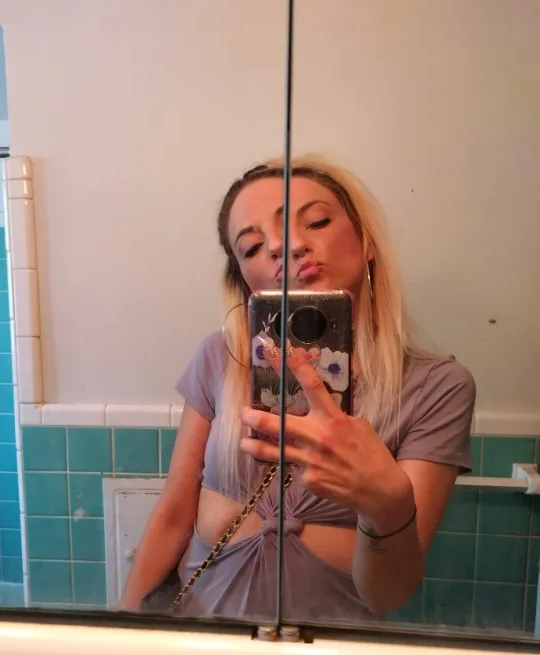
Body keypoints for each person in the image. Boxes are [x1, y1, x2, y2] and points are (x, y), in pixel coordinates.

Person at [120, 155, 476, 623]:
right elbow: (174, 512)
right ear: (245, 282)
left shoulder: (436, 388)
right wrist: (122, 632)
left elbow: (387, 595)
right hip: (203, 641)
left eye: (317, 221)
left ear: (367, 240)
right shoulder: (219, 358)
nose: (282, 246)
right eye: (252, 247)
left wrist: (387, 505)